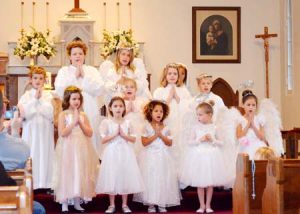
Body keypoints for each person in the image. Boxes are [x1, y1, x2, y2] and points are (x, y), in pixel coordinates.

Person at [54, 39, 106, 157]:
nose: (78, 56)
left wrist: (85, 77)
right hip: (70, 110)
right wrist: (74, 77)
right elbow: (60, 89)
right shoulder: (64, 71)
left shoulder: (91, 70)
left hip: (90, 107)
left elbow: (100, 88)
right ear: (70, 56)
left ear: (84, 55)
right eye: (74, 54)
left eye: (80, 53)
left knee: (90, 135)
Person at [52, 86, 99, 213]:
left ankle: (77, 201)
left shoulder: (83, 115)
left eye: (78, 99)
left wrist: (81, 122)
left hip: (81, 148)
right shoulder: (63, 114)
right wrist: (73, 123)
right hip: (68, 147)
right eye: (74, 98)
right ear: (68, 100)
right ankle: (64, 202)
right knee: (67, 172)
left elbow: (89, 133)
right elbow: (62, 133)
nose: (76, 101)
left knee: (80, 171)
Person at [179, 102, 230, 213]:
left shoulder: (215, 127)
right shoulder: (195, 128)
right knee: (200, 183)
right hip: (199, 156)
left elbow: (222, 143)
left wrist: (213, 140)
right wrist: (199, 140)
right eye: (197, 114)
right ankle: (201, 205)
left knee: (209, 183)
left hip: (212, 156)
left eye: (201, 114)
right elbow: (189, 142)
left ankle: (208, 205)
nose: (198, 117)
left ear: (210, 115)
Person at [96, 96, 144, 214]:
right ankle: (111, 204)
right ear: (110, 108)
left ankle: (124, 204)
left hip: (125, 152)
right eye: (115, 106)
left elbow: (133, 139)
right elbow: (103, 139)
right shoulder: (106, 122)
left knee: (125, 176)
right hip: (111, 152)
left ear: (124, 108)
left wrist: (123, 135)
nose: (118, 108)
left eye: (121, 106)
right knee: (111, 176)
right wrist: (114, 134)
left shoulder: (128, 122)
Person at [133, 100, 181, 213]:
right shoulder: (146, 127)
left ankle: (162, 202)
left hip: (163, 157)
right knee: (151, 178)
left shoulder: (167, 127)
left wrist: (161, 135)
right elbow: (144, 142)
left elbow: (169, 143)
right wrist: (156, 135)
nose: (159, 113)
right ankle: (151, 203)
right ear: (150, 112)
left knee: (163, 178)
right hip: (150, 157)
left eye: (161, 111)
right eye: (156, 111)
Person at [18, 66, 54, 190]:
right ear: (30, 80)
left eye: (41, 78)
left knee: (44, 154)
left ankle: (45, 183)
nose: (38, 81)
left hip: (44, 131)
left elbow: (50, 114)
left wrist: (41, 101)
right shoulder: (26, 96)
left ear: (44, 80)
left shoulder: (49, 96)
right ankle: (32, 183)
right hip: (31, 131)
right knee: (32, 154)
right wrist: (35, 100)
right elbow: (25, 114)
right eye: (35, 78)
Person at [153, 63, 191, 160]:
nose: (172, 76)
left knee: (178, 141)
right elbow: (157, 108)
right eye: (169, 73)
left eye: (175, 74)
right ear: (165, 76)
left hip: (179, 121)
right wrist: (169, 97)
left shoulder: (184, 91)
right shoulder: (159, 91)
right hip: (166, 121)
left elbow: (189, 108)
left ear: (178, 76)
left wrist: (177, 97)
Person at [236, 90, 268, 160]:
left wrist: (253, 125)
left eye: (253, 105)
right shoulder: (239, 120)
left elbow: (262, 137)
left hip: (258, 145)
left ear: (256, 106)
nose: (251, 107)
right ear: (243, 105)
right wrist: (248, 124)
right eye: (248, 105)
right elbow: (239, 136)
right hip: (244, 145)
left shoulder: (259, 119)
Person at [122, 77, 149, 154]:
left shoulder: (141, 101)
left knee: (138, 148)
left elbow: (145, 117)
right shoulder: (121, 102)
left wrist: (135, 110)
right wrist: (127, 111)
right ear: (123, 89)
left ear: (136, 90)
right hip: (125, 129)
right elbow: (117, 117)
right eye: (126, 87)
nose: (129, 89)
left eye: (132, 87)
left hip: (138, 128)